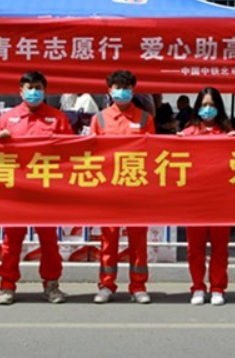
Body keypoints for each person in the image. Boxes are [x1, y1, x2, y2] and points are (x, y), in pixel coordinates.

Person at [0, 71, 73, 305]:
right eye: (29, 88)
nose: (34, 92)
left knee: (49, 242)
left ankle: (51, 285)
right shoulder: (7, 119)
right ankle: (7, 286)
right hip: (15, 191)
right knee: (11, 242)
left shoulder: (57, 118)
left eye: (38, 87)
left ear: (45, 91)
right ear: (20, 91)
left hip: (46, 191)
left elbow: (72, 151)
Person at [90, 70, 155, 304]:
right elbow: (91, 154)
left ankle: (138, 286)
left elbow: (153, 153)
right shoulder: (99, 119)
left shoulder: (145, 119)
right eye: (117, 87)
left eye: (126, 87)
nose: (122, 91)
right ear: (109, 90)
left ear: (133, 90)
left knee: (138, 241)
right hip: (109, 190)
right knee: (108, 240)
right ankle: (106, 285)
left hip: (136, 189)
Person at [179, 87, 234, 306]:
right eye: (204, 105)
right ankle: (198, 287)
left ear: (218, 107)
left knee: (220, 247)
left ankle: (218, 287)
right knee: (195, 248)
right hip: (195, 200)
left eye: (211, 105)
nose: (207, 109)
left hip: (221, 200)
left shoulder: (228, 133)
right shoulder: (188, 133)